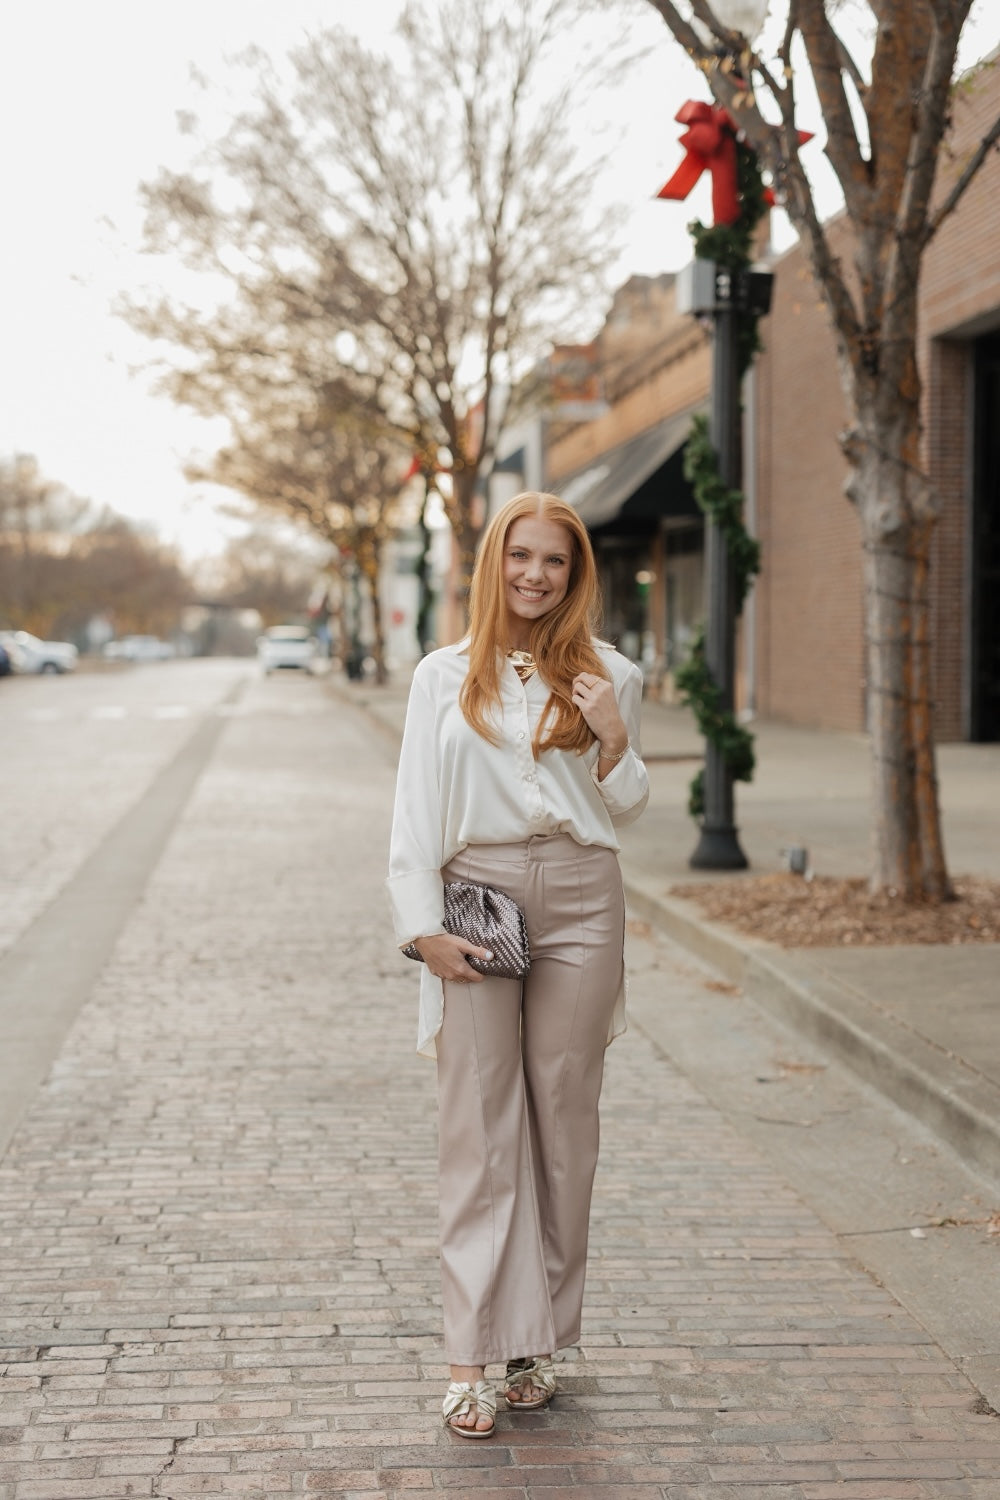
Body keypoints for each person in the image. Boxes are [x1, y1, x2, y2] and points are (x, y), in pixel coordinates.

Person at [387, 491, 649, 1438]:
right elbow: (415, 809)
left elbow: (626, 806)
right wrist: (421, 927)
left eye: (556, 561)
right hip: (479, 897)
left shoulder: (611, 672)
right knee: (479, 1124)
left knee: (564, 1125)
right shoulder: (442, 676)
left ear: (577, 575)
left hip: (583, 897)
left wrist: (613, 736)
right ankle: (470, 1358)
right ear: (494, 561)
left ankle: (538, 1344)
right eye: (521, 556)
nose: (536, 575)